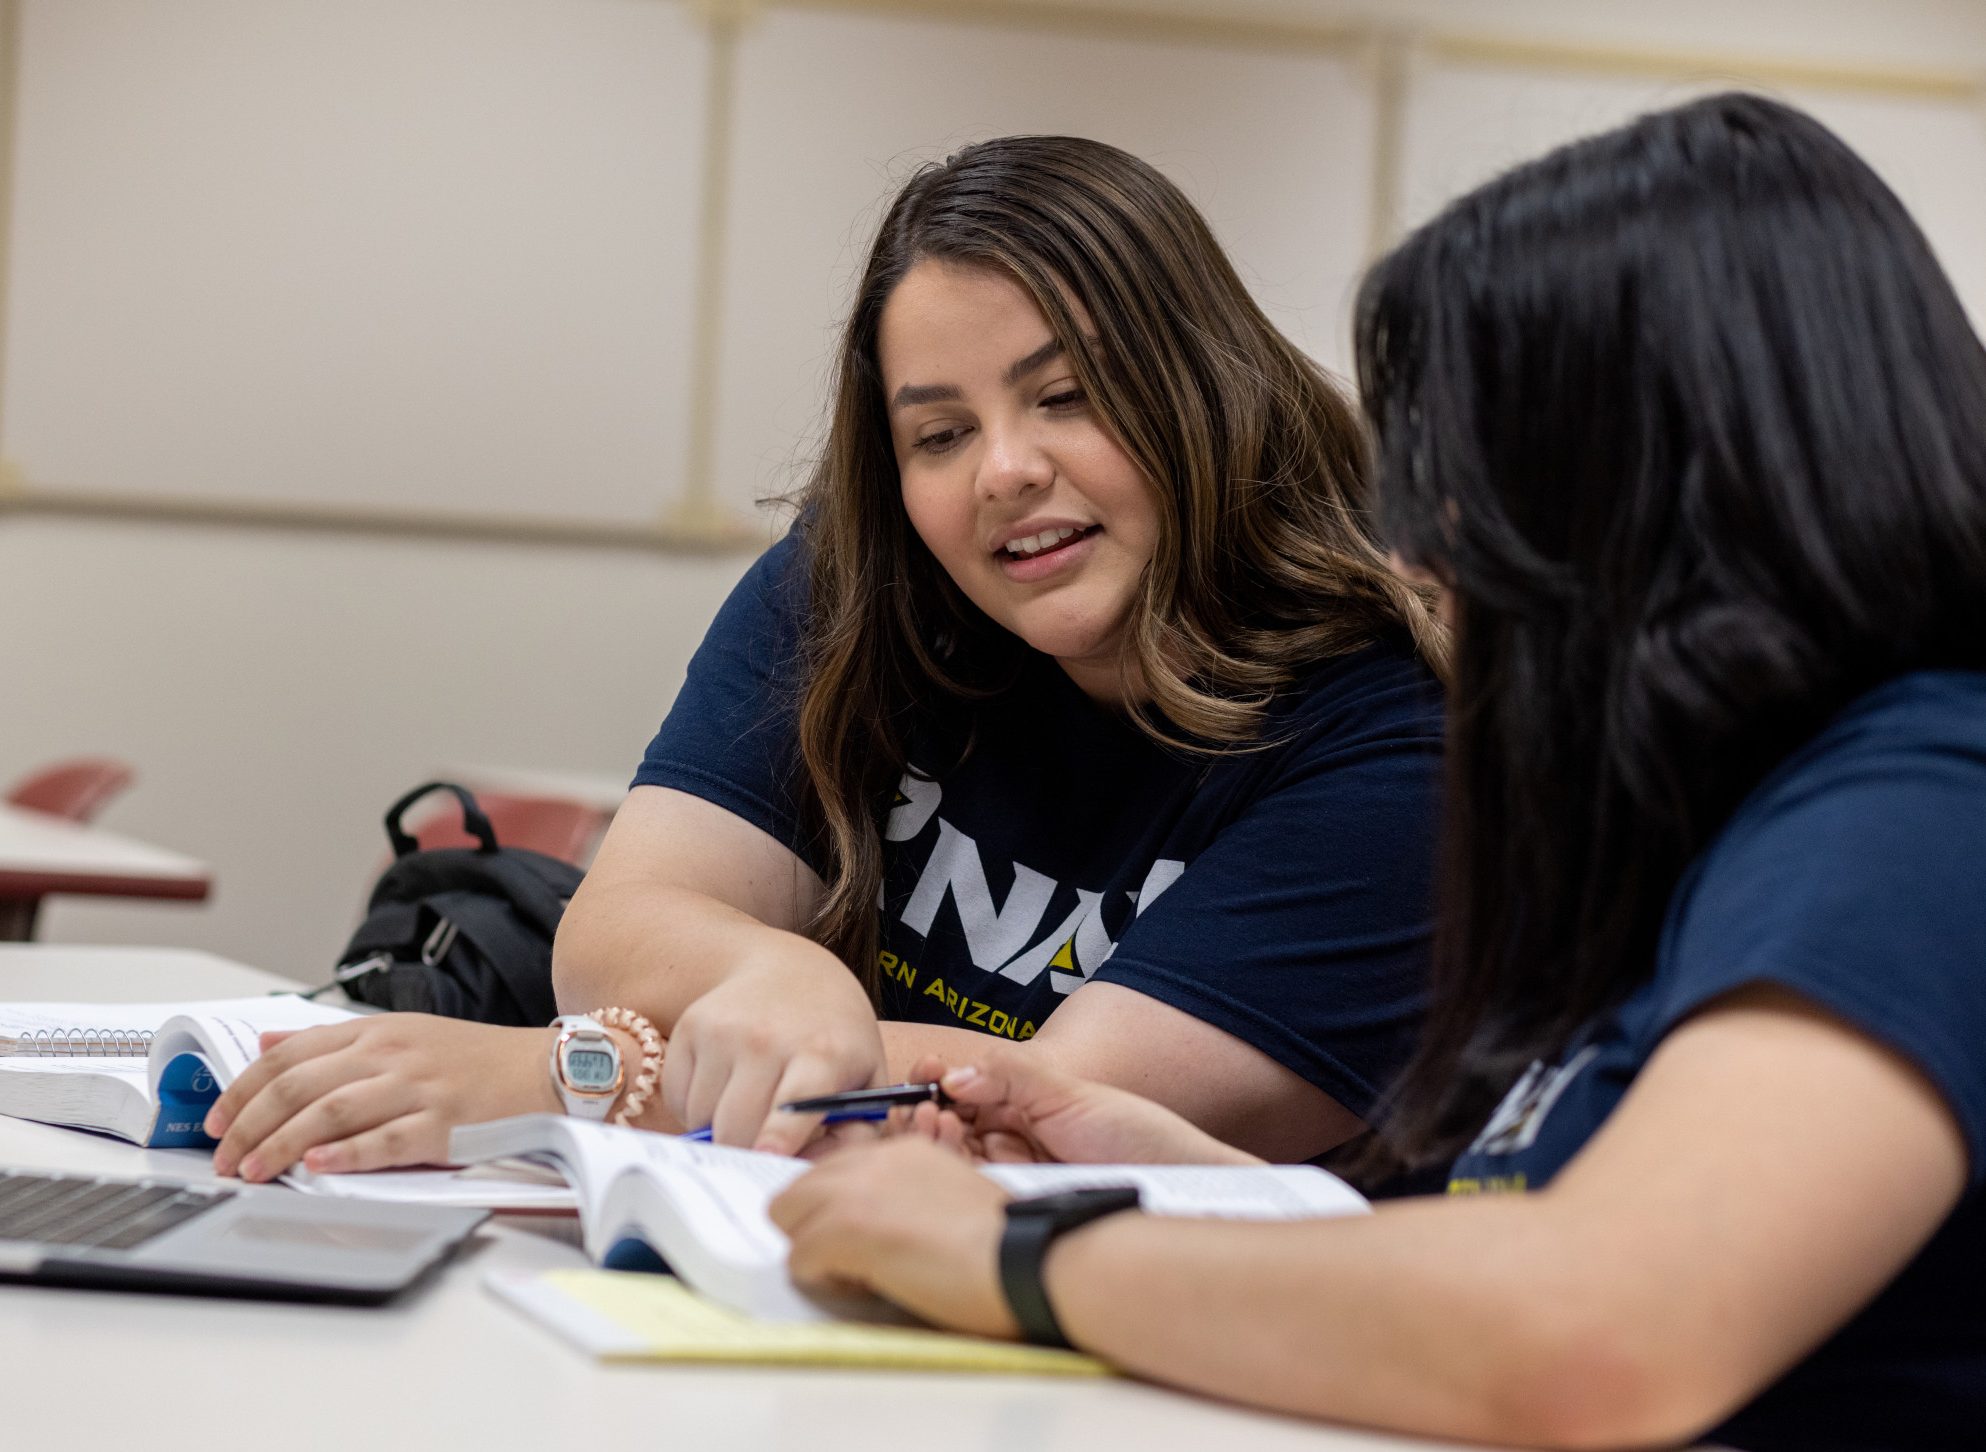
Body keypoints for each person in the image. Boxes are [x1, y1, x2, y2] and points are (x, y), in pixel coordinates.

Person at [766, 94, 1986, 1450]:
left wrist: (1020, 1256)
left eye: (1465, 480)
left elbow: (1600, 1330)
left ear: (1655, 481)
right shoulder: (1729, 826)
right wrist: (1190, 1189)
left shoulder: (1921, 802)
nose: (1417, 549)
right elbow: (1519, 1249)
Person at [202, 135, 1446, 1178]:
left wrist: (566, 1075)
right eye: (941, 433)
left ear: (1205, 391)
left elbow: (1041, 1115)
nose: (1003, 470)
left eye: (1066, 397)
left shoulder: (1398, 741)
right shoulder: (863, 582)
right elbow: (618, 928)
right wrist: (771, 972)